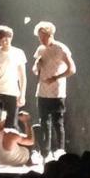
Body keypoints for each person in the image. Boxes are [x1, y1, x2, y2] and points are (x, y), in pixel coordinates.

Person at [32, 21, 76, 161]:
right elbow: (34, 71)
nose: (41, 39)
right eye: (39, 37)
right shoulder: (40, 50)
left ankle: (60, 150)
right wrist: (37, 64)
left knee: (58, 122)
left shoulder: (61, 48)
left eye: (43, 36)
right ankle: (45, 152)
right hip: (42, 92)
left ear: (50, 34)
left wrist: (56, 77)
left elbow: (72, 69)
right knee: (44, 122)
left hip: (57, 92)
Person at [0, 25, 27, 129]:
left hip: (12, 93)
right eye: (2, 39)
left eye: (7, 38)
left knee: (11, 124)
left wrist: (22, 94)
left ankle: (12, 145)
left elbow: (22, 76)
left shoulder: (18, 53)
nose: (5, 41)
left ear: (11, 37)